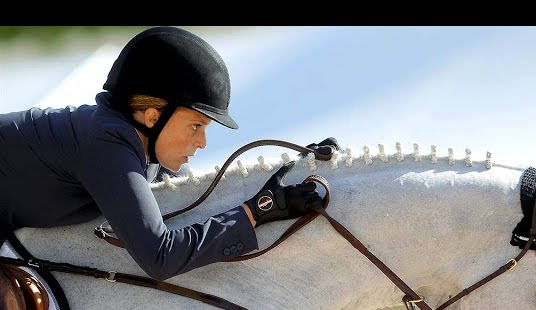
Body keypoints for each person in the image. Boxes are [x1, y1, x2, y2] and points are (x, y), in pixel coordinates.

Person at [0, 26, 340, 281]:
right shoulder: (108, 145)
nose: (203, 142)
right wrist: (259, 211)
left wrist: (291, 170)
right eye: (196, 126)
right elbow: (160, 257)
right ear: (152, 117)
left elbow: (195, 198)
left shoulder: (128, 143)